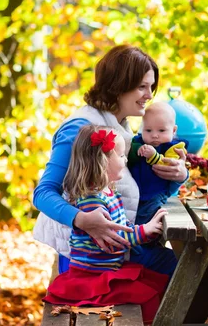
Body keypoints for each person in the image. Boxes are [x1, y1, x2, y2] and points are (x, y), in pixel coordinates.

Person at [32, 45, 208, 322]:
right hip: (93, 259)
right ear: (118, 84)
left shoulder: (122, 125)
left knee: (201, 270)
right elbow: (43, 193)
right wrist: (82, 219)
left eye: (151, 87)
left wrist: (179, 174)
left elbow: (135, 186)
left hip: (123, 244)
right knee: (201, 272)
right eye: (142, 87)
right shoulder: (82, 127)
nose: (149, 95)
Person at [43, 126, 170, 323]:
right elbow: (117, 238)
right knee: (148, 295)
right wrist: (146, 229)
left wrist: (148, 232)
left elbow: (124, 225)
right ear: (102, 162)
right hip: (92, 277)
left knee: (154, 284)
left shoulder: (109, 193)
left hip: (108, 269)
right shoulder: (93, 201)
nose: (126, 160)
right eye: (121, 156)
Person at [129, 102, 188, 225]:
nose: (154, 135)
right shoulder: (138, 142)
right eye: (148, 130)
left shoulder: (174, 148)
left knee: (151, 217)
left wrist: (153, 156)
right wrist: (135, 150)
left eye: (161, 130)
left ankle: (148, 241)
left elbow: (168, 167)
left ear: (173, 130)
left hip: (156, 193)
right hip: (135, 193)